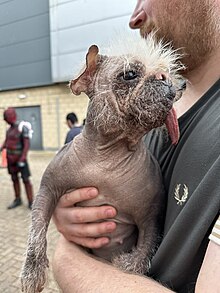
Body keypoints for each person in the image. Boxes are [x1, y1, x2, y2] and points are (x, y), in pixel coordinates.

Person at [52, 0, 220, 292]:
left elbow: (65, 259)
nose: (134, 17)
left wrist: (65, 258)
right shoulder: (147, 118)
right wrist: (77, 219)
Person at [0, 107, 34, 209]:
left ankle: (31, 201)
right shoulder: (9, 130)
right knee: (14, 179)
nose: (5, 119)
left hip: (20, 159)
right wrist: (1, 148)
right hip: (11, 159)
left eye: (6, 117)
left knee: (26, 180)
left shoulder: (22, 127)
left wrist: (23, 158)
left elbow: (26, 144)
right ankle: (17, 199)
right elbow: (6, 141)